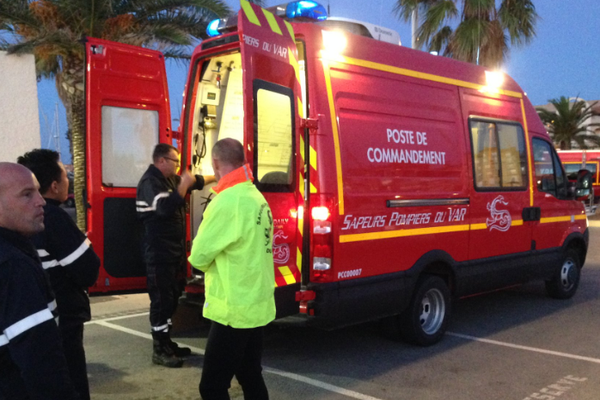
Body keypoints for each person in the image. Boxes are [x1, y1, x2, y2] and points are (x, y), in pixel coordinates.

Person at [188, 138, 275, 400]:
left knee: (212, 387)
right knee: (250, 375)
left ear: (215, 163)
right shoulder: (256, 197)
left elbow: (199, 256)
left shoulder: (226, 202)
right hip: (256, 305)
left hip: (233, 310)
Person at [17, 149, 100, 400]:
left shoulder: (17, 225)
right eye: (65, 176)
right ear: (54, 186)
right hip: (63, 319)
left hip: (40, 324)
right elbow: (88, 270)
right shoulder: (53, 218)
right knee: (70, 380)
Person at [0, 162, 80, 399]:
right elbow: (40, 361)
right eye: (27, 194)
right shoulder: (13, 266)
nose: (41, 201)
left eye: (37, 190)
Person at [137, 143, 215, 368]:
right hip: (158, 255)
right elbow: (164, 208)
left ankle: (167, 342)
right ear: (161, 160)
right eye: (175, 162)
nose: (178, 166)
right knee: (161, 302)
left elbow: (195, 181)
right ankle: (159, 349)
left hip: (173, 254)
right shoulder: (150, 182)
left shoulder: (169, 180)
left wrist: (218, 175)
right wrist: (184, 183)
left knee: (171, 299)